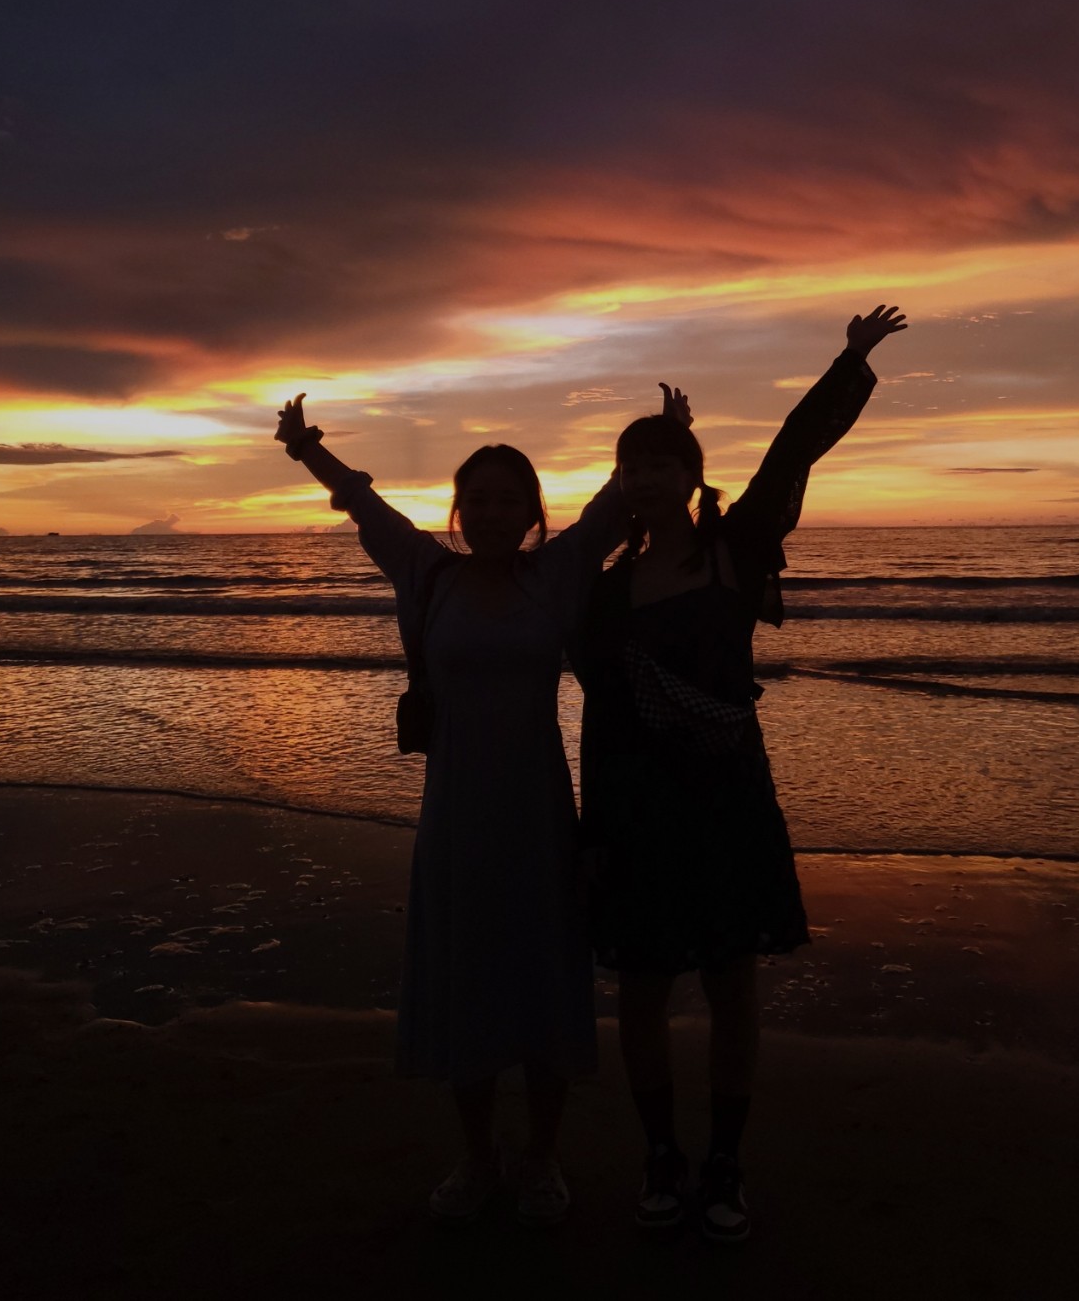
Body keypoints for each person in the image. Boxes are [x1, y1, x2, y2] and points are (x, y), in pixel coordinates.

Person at [274, 389, 664, 1227]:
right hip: (454, 816)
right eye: (476, 499)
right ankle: (478, 1155)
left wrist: (667, 436)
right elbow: (363, 503)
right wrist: (307, 449)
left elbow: (612, 504)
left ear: (531, 512)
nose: (490, 513)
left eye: (507, 500)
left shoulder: (555, 575)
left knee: (544, 977)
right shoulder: (428, 574)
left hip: (540, 816)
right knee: (467, 978)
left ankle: (542, 1155)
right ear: (458, 510)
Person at [577, 305, 907, 1243]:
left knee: (731, 983)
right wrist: (594, 827)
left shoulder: (737, 547)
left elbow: (795, 447)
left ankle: (724, 1160)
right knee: (642, 989)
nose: (646, 478)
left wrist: (849, 360)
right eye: (632, 465)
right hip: (637, 807)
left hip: (726, 799)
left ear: (691, 477)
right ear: (619, 482)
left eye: (662, 463)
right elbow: (600, 713)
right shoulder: (605, 590)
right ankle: (661, 1156)